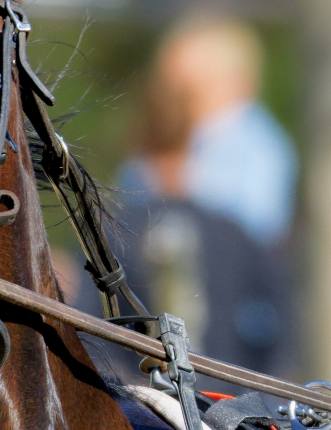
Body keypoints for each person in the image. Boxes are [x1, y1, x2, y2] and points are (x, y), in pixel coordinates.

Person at [115, 66, 293, 375]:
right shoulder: (232, 233)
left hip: (142, 397)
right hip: (226, 396)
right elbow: (283, 324)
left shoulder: (115, 233)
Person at [151, 15, 297, 246]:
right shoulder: (171, 133)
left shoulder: (261, 147)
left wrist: (186, 187)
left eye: (189, 85)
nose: (173, 96)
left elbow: (261, 226)